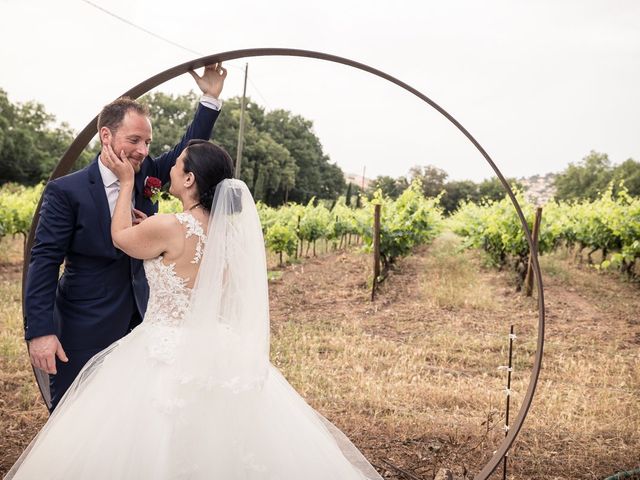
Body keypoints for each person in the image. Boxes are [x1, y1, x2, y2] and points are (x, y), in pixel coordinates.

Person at [5, 140, 383, 479]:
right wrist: (151, 227)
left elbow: (121, 238)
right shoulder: (223, 232)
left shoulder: (170, 225)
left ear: (188, 180)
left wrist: (124, 186)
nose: (167, 165)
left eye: (177, 162)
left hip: (162, 347)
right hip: (214, 343)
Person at [23, 63, 227, 411]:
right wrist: (40, 331)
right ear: (106, 136)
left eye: (147, 141)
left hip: (144, 326)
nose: (143, 150)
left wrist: (208, 99)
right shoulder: (66, 191)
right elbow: (43, 262)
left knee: (129, 423)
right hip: (84, 326)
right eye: (134, 140)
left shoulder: (146, 172)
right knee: (77, 417)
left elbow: (189, 153)